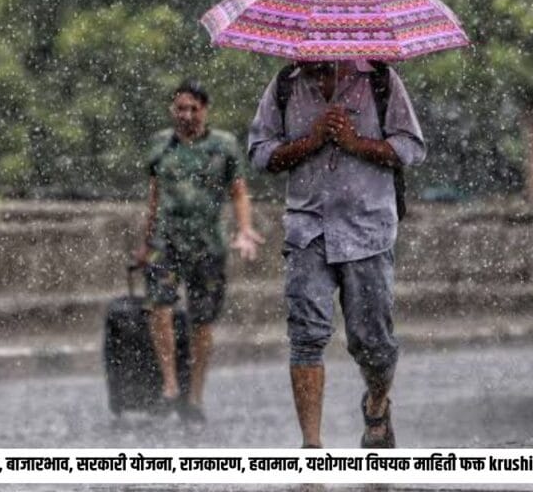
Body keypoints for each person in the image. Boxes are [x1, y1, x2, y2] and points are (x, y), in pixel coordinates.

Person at [247, 60, 426, 448]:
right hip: (307, 230)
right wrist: (308, 143)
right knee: (306, 337)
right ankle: (312, 447)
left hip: (368, 231)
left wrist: (356, 143)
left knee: (373, 344)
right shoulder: (284, 84)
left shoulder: (380, 79)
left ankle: (377, 406)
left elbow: (411, 147)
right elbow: (260, 153)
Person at [135, 78, 264, 423]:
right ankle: (170, 386)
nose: (187, 115)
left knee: (202, 322)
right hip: (166, 242)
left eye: (194, 108)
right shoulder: (160, 146)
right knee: (159, 308)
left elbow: (238, 191)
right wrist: (146, 241)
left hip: (208, 245)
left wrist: (245, 228)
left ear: (205, 111)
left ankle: (194, 395)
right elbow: (154, 194)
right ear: (171, 110)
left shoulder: (223, 146)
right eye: (180, 108)